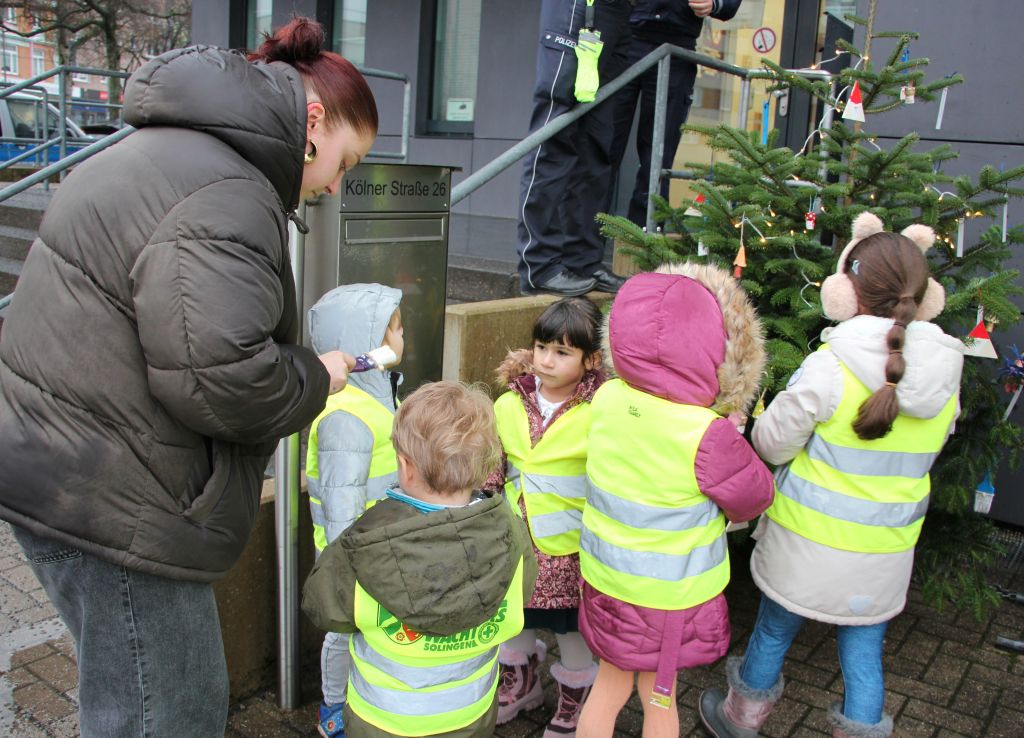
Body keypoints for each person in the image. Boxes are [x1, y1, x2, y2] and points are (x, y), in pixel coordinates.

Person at [0, 17, 376, 737]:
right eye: (345, 162)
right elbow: (221, 379)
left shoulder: (175, 150)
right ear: (315, 120)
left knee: (134, 699)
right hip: (112, 497)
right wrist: (316, 374)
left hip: (68, 468)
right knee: (164, 715)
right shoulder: (227, 191)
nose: (332, 186)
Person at [698, 214, 964, 738]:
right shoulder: (947, 374)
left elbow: (772, 443)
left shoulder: (830, 364)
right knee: (864, 652)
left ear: (846, 291)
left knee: (773, 630)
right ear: (925, 296)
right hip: (885, 551)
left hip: (804, 542)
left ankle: (740, 719)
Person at [575, 265, 775, 737]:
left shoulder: (606, 398)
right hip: (669, 596)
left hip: (605, 579)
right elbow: (754, 496)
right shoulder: (705, 433)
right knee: (658, 698)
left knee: (608, 686)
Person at [302, 381, 539, 738]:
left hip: (381, 718)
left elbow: (322, 606)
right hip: (469, 714)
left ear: (405, 466)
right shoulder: (510, 529)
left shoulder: (366, 540)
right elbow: (522, 591)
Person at [485, 296, 605, 734]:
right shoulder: (509, 403)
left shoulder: (600, 412)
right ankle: (521, 683)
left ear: (590, 360)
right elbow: (492, 466)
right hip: (514, 539)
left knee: (570, 629)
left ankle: (575, 699)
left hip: (570, 549)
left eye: (562, 352)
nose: (546, 361)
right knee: (516, 615)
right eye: (540, 348)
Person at [305, 283, 406, 738]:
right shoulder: (346, 415)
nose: (403, 338)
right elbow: (341, 504)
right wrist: (352, 562)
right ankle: (334, 710)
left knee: (370, 634)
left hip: (381, 550)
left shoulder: (381, 394)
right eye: (396, 328)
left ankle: (366, 701)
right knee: (345, 634)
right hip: (352, 558)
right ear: (370, 340)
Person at [517, 0, 634, 297]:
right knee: (555, 135)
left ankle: (582, 260)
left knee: (598, 143)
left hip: (619, 13)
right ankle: (539, 265)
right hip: (581, 8)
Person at [609, 0, 742, 228]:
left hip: (676, 44)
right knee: (604, 146)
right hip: (626, 35)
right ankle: (582, 252)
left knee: (658, 156)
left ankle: (644, 243)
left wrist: (715, 4)